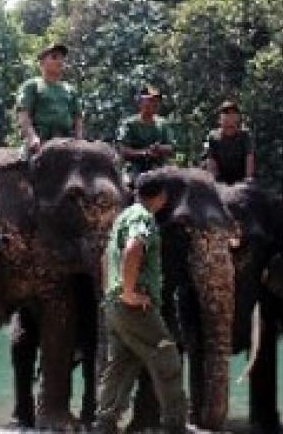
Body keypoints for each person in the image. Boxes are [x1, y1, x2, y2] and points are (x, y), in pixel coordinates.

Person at [95, 173, 187, 434]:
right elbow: (134, 247)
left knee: (122, 364)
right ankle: (175, 424)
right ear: (161, 197)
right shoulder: (142, 217)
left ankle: (105, 422)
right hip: (135, 307)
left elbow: (105, 257)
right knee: (167, 357)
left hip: (114, 306)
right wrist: (129, 292)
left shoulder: (121, 218)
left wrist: (113, 293)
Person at [15, 42, 83, 156]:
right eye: (54, 57)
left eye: (62, 58)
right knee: (20, 168)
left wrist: (79, 140)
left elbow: (78, 118)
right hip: (40, 142)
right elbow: (23, 113)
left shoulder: (70, 89)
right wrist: (32, 137)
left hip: (67, 142)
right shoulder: (32, 85)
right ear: (42, 63)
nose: (60, 61)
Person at [116, 86, 175, 187]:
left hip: (159, 168)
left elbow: (171, 147)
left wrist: (160, 149)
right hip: (135, 169)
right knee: (126, 189)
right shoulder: (129, 124)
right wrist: (144, 153)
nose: (155, 103)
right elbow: (123, 150)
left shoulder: (163, 124)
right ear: (140, 102)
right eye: (151, 100)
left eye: (157, 101)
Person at [202, 100, 255, 184]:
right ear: (220, 121)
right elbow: (210, 160)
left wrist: (248, 178)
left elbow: (249, 158)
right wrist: (215, 182)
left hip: (241, 180)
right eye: (226, 123)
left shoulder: (245, 135)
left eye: (233, 124)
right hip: (219, 181)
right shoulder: (211, 136)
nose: (230, 126)